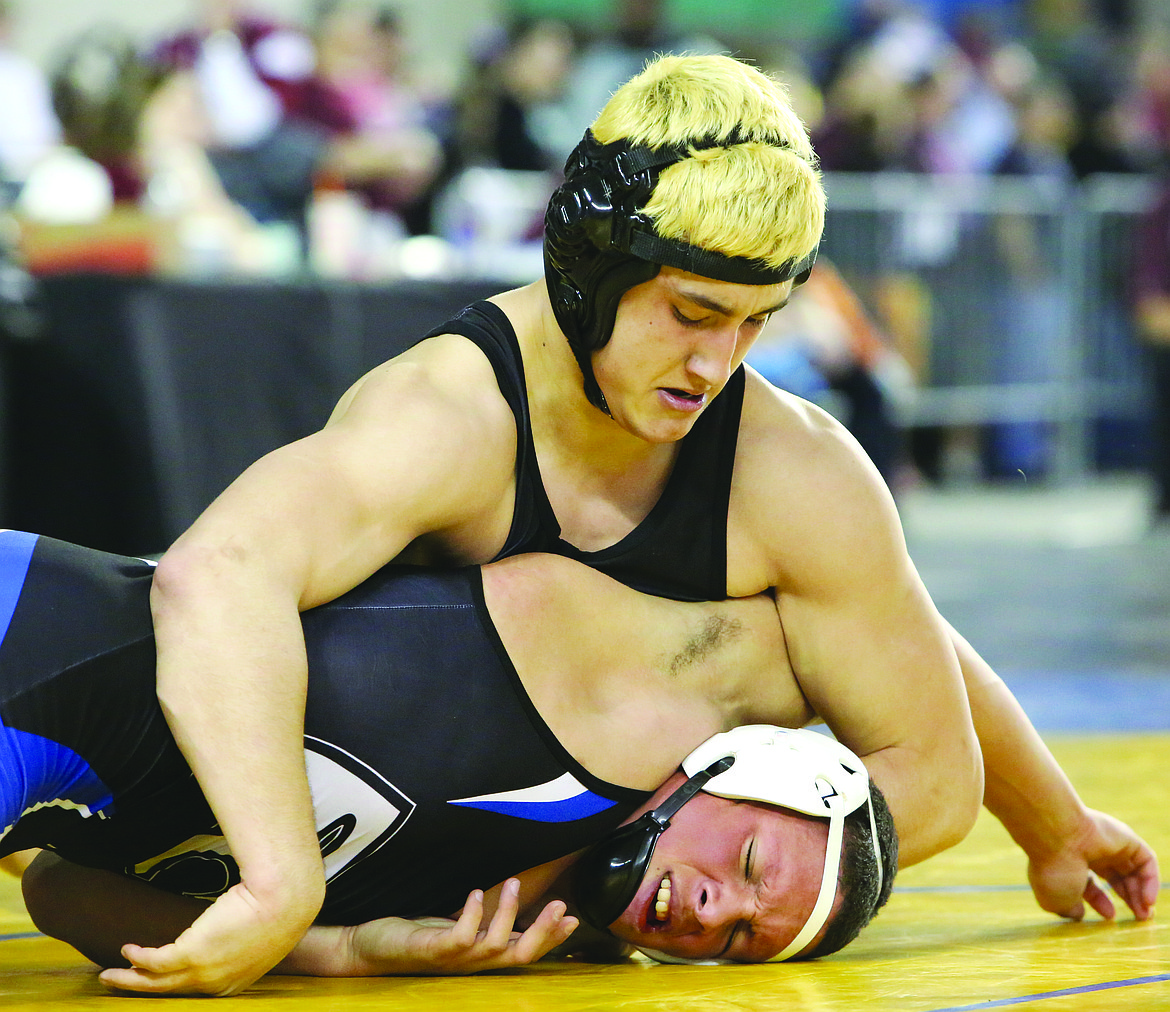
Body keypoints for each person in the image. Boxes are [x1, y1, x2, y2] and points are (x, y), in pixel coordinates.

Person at [135, 54, 1156, 995]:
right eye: (694, 312)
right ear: (592, 268)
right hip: (377, 839)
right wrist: (285, 891)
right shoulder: (446, 421)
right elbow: (222, 569)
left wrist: (1049, 826)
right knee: (755, 650)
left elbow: (922, 738)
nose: (717, 366)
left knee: (781, 637)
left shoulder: (790, 466)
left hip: (508, 892)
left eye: (756, 322)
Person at [3, 529, 896, 975]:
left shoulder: (483, 922)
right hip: (38, 633)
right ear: (733, 771)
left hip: (41, 771)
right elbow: (870, 594)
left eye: (738, 935)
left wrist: (340, 947)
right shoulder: (612, 664)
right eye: (746, 862)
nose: (711, 908)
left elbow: (61, 891)